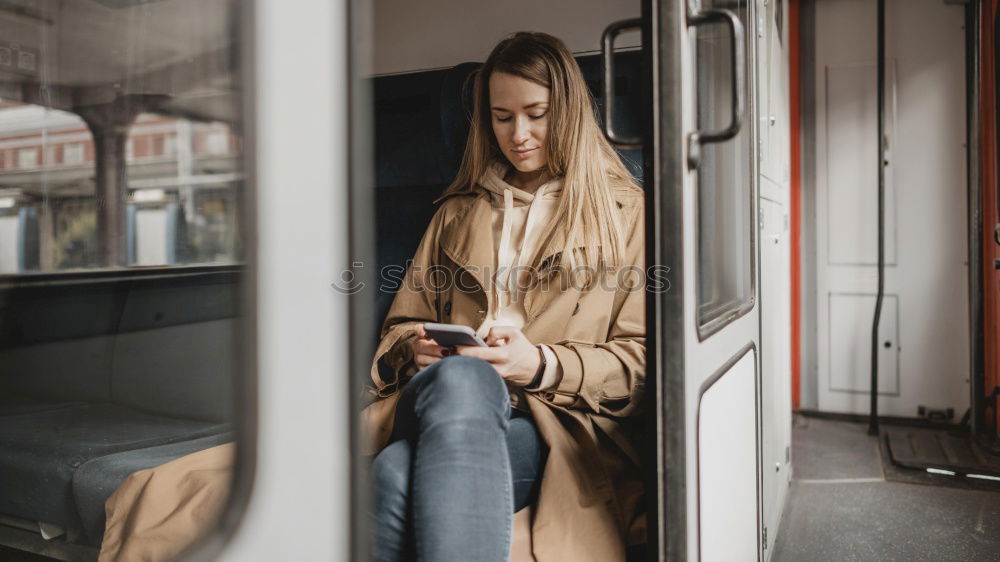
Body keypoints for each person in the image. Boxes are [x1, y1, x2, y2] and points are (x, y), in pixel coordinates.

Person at [364, 31, 646, 562]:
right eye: (501, 116)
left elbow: (641, 364)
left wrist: (536, 363)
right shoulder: (456, 213)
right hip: (439, 395)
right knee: (463, 375)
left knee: (391, 476)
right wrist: (414, 349)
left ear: (567, 110)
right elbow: (402, 325)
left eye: (536, 113)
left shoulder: (628, 213)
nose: (518, 134)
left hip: (551, 417)